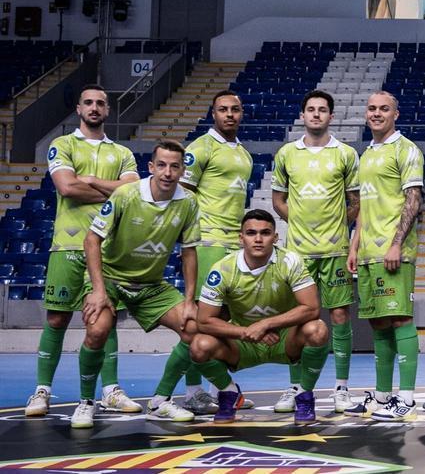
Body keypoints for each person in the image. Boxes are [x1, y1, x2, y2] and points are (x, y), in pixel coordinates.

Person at [73, 140, 229, 429]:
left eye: (174, 166)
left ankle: (160, 401)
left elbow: (190, 251)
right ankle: (85, 403)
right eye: (162, 165)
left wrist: (189, 300)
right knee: (97, 330)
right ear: (151, 167)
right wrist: (97, 289)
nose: (168, 172)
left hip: (151, 284)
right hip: (111, 277)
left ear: (183, 169)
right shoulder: (126, 195)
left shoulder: (188, 202)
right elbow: (91, 239)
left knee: (192, 328)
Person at [26, 85, 141, 418]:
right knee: (58, 318)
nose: (94, 107)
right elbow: (66, 187)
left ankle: (111, 390)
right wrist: (110, 191)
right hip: (67, 243)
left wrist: (88, 182)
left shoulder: (122, 153)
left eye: (100, 103)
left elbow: (133, 192)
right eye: (88, 102)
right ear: (78, 109)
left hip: (107, 247)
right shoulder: (61, 145)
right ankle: (42, 392)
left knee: (104, 320)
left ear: (108, 110)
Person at [190, 209, 330, 425]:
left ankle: (304, 396)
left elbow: (311, 308)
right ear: (240, 237)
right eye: (251, 233)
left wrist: (265, 324)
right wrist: (246, 332)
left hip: (284, 339)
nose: (258, 239)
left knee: (317, 329)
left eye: (265, 233)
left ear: (275, 237)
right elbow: (204, 320)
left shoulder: (291, 261)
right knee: (199, 344)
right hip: (243, 343)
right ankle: (229, 394)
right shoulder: (223, 269)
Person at [271, 90, 360, 413]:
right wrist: (297, 221)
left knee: (339, 317)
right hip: (297, 254)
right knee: (298, 321)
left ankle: (341, 389)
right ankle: (295, 387)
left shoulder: (346, 154)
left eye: (323, 110)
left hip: (334, 250)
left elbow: (356, 202)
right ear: (303, 115)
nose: (316, 115)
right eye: (311, 109)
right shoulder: (286, 154)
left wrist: (338, 224)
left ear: (331, 117)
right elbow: (278, 199)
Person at [345, 91, 425, 422]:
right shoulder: (367, 155)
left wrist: (396, 243)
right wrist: (354, 245)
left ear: (396, 114)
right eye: (372, 109)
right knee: (378, 323)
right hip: (367, 252)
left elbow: (413, 200)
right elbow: (363, 206)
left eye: (384, 109)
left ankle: (405, 398)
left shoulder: (406, 149)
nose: (377, 114)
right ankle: (382, 395)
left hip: (394, 250)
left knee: (400, 318)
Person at [178, 89, 255, 415]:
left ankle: (217, 390)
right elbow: (183, 194)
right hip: (207, 241)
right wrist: (188, 239)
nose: (229, 114)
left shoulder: (245, 154)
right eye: (223, 109)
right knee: (199, 321)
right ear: (213, 113)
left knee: (222, 320)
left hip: (232, 244)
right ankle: (193, 391)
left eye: (235, 109)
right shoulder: (200, 148)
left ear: (241, 114)